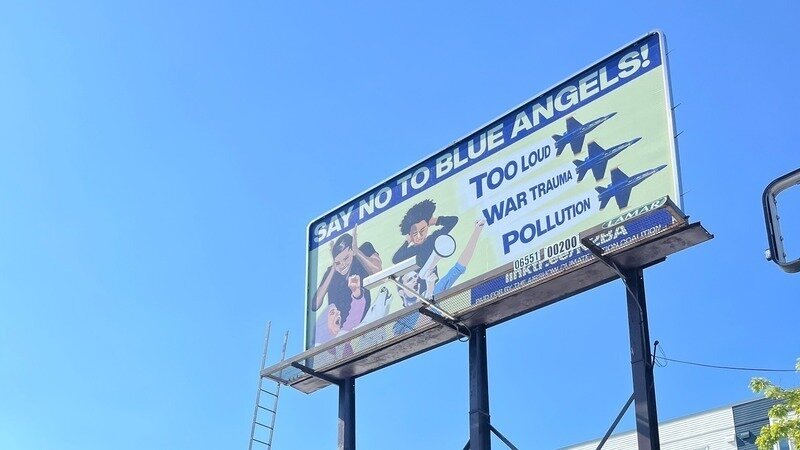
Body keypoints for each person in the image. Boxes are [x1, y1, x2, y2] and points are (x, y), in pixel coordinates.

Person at [394, 220, 485, 335]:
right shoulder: (400, 320)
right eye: (410, 280)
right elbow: (416, 332)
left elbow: (458, 268)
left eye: (415, 277)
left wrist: (477, 231)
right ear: (401, 291)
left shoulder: (433, 292)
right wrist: (430, 291)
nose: (415, 280)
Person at [311, 226, 381, 345]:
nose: (342, 265)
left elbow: (378, 270)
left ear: (351, 251)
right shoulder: (332, 272)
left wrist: (357, 252)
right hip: (335, 336)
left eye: (346, 258)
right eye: (338, 262)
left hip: (362, 328)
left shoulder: (364, 250)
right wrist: (333, 268)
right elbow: (315, 304)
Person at [392, 199, 458, 290]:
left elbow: (453, 220)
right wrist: (407, 242)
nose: (419, 236)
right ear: (410, 235)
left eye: (422, 230)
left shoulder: (432, 240)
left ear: (427, 227)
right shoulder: (411, 251)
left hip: (434, 287)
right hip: (417, 291)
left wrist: (434, 221)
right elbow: (396, 259)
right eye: (415, 234)